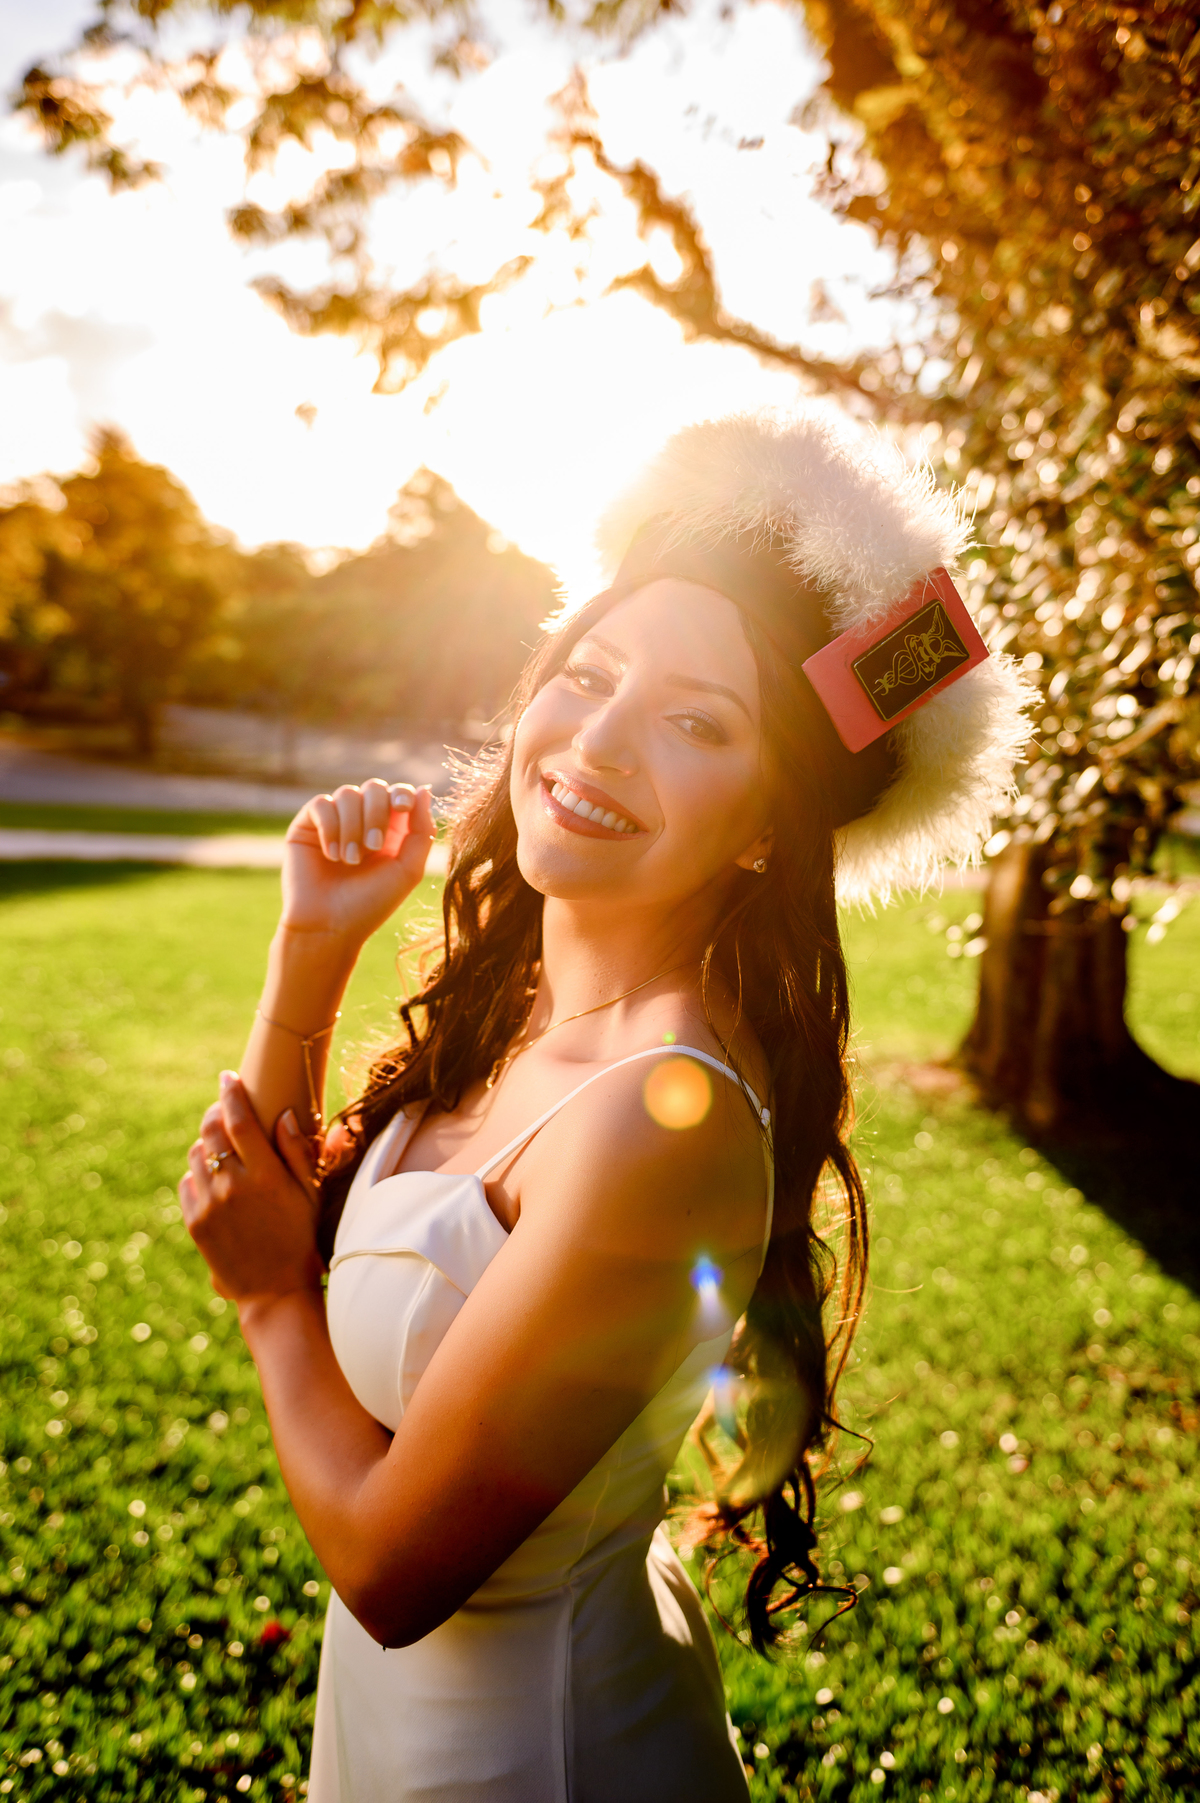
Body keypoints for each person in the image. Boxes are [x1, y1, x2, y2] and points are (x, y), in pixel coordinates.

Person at [180, 409, 1030, 1802]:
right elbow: (264, 1202)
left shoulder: (661, 1115)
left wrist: (273, 1301)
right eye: (590, 674)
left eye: (698, 721)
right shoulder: (522, 1001)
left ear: (765, 827)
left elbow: (393, 1570)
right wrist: (312, 950)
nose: (603, 740)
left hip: (536, 1759)